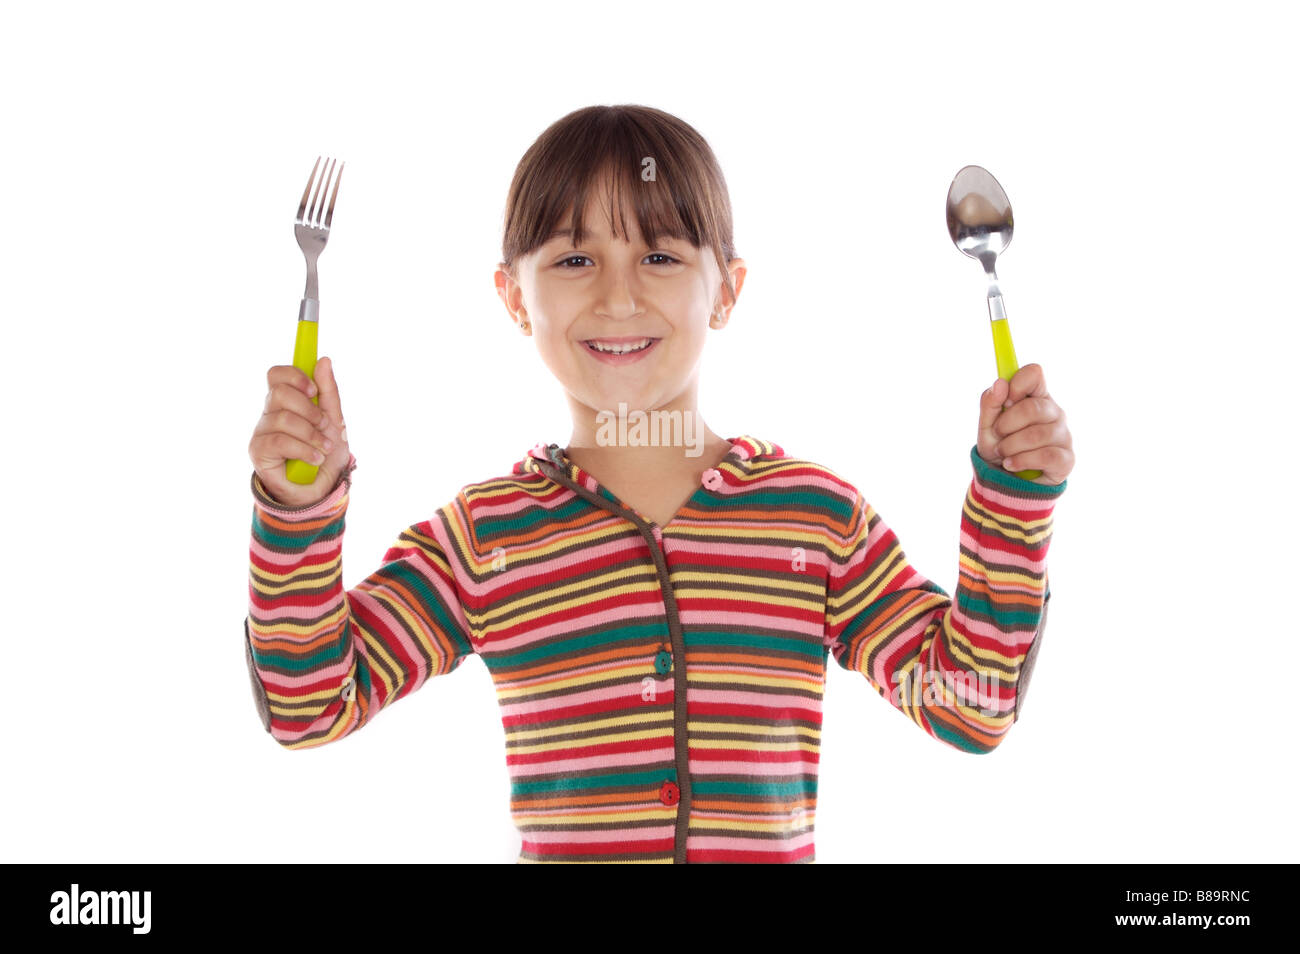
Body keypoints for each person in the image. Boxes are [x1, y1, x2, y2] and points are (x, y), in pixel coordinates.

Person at [244, 104, 1074, 864]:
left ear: (728, 290)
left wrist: (1010, 504)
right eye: (574, 258)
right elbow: (310, 703)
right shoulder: (482, 538)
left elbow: (970, 703)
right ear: (513, 297)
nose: (619, 295)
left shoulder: (814, 519)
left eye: (660, 254)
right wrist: (297, 510)